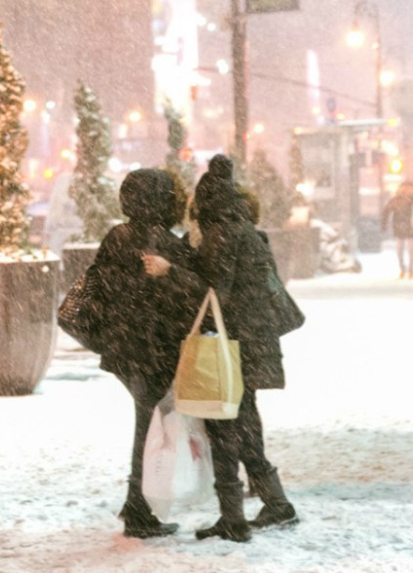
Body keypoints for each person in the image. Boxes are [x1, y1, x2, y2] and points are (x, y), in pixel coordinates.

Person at [145, 154, 299, 542]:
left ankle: (234, 517)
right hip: (252, 343)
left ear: (204, 204)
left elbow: (212, 291)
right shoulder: (243, 229)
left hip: (232, 347)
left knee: (225, 427)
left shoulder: (221, 234)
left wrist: (170, 271)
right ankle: (274, 503)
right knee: (244, 423)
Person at [89, 168, 206, 538]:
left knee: (146, 421)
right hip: (155, 349)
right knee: (151, 427)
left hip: (126, 348)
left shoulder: (116, 236)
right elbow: (190, 296)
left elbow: (100, 287)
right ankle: (140, 511)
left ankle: (136, 503)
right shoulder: (167, 243)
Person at [380, 180, 413, 278]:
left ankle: (407, 269)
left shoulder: (398, 199)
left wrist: (384, 225)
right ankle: (405, 269)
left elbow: (386, 212)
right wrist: (383, 224)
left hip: (405, 227)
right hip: (404, 227)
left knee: (405, 250)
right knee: (403, 250)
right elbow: (386, 212)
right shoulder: (397, 200)